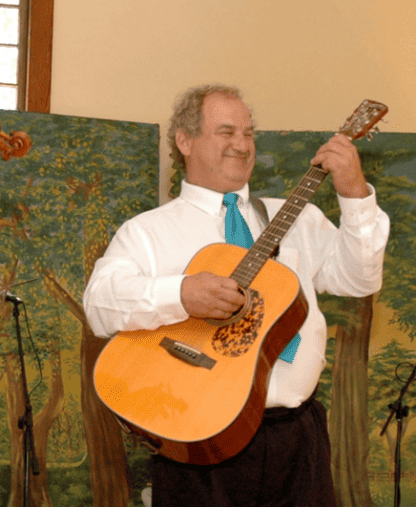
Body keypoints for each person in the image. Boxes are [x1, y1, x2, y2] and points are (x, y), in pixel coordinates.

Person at [82, 84, 390, 506]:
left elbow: (360, 280)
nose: (242, 145)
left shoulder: (300, 218)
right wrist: (181, 294)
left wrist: (356, 195)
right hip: (196, 441)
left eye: (248, 133)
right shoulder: (148, 231)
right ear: (185, 140)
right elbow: (100, 305)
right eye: (226, 132)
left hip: (298, 439)